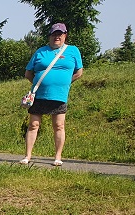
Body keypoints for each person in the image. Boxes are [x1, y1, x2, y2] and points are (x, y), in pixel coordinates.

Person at [20, 23, 83, 167]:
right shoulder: (41, 51)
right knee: (33, 125)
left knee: (59, 125)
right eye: (54, 34)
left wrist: (65, 83)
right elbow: (28, 73)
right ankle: (27, 156)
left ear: (65, 36)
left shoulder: (72, 50)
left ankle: (58, 157)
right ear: (50, 36)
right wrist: (39, 84)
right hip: (39, 95)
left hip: (59, 95)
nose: (57, 37)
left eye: (60, 34)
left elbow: (79, 72)